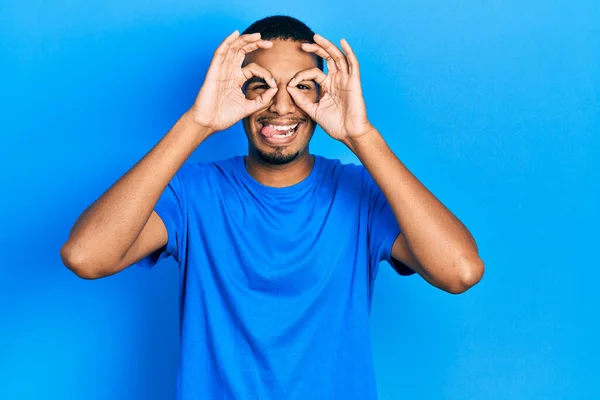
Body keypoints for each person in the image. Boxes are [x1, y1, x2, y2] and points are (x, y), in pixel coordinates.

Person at [60, 15, 484, 400]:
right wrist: (197, 123)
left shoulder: (361, 194)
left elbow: (459, 270)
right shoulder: (193, 193)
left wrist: (362, 136)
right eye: (261, 84)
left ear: (325, 95)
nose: (281, 105)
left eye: (302, 87)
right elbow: (86, 256)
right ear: (238, 92)